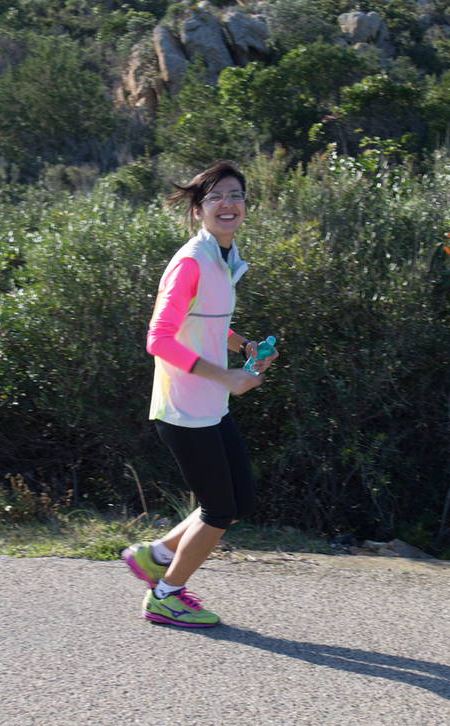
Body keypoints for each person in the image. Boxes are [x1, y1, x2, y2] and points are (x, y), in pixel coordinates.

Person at [122, 160, 278, 627]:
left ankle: (153, 556)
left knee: (241, 503)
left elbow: (208, 321)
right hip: (183, 407)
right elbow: (159, 338)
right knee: (219, 509)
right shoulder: (191, 261)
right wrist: (227, 376)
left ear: (246, 205)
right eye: (216, 197)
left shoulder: (223, 257)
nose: (228, 204)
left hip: (210, 404)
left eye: (236, 196)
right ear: (198, 209)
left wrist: (244, 345)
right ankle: (166, 594)